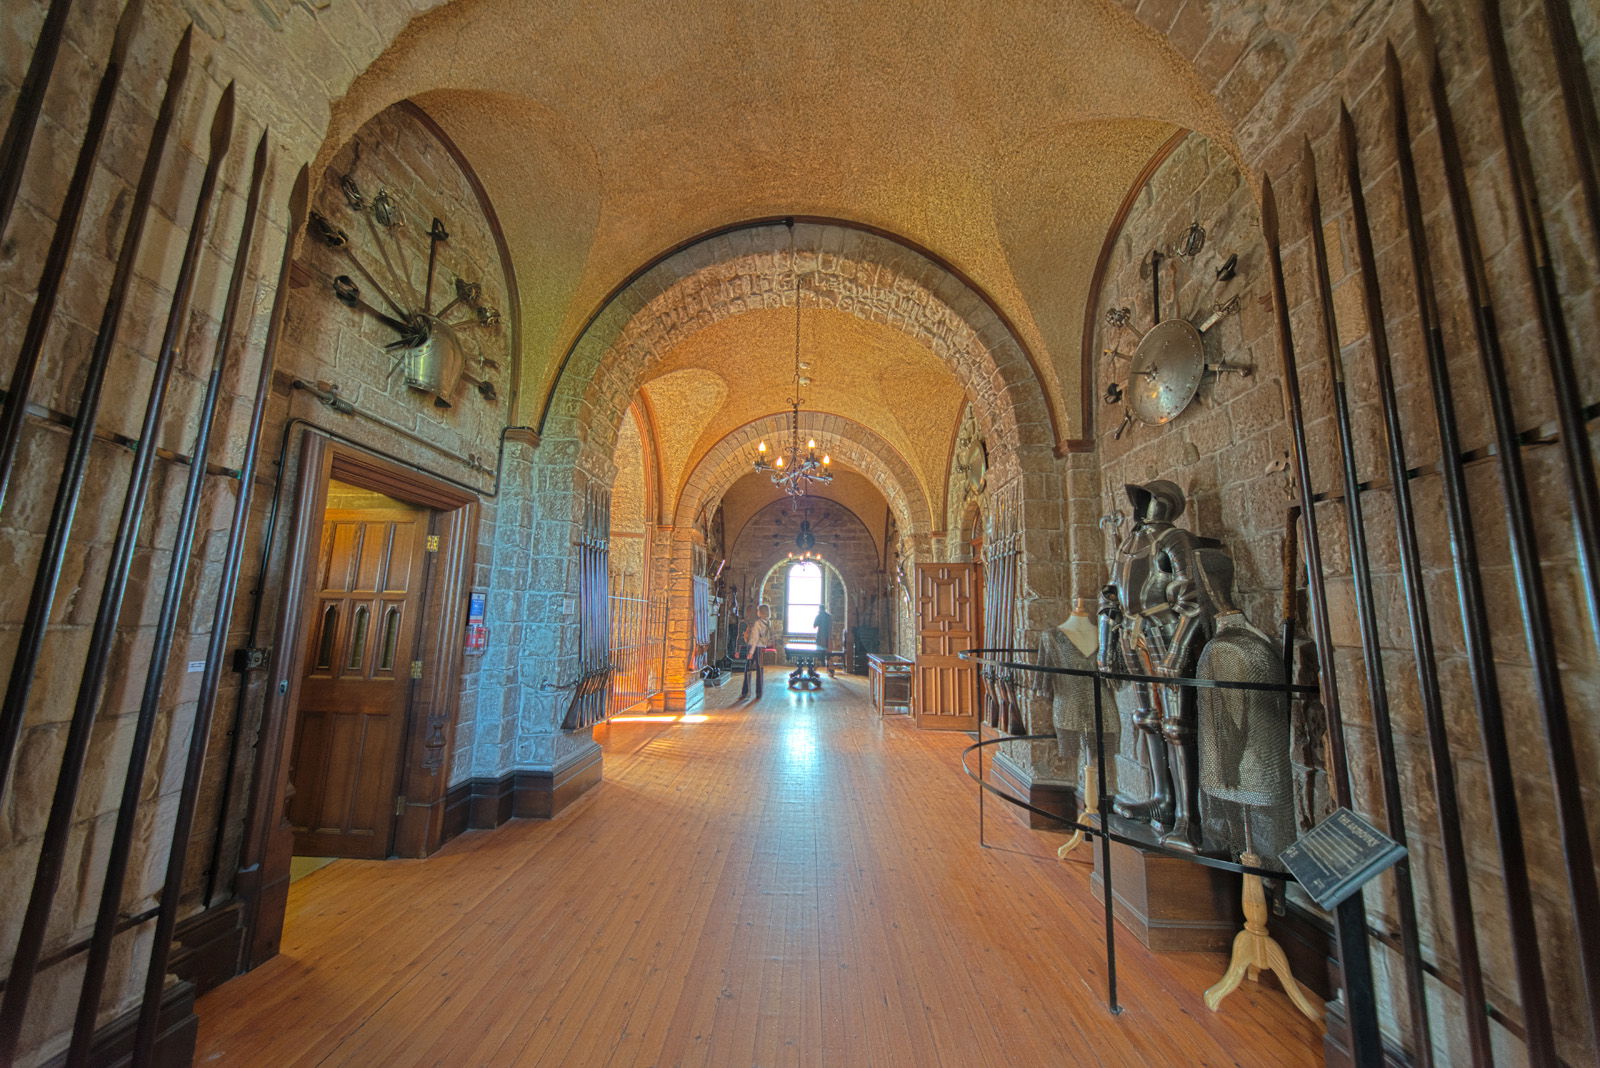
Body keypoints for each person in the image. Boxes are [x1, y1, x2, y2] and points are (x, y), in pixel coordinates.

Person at [739, 604, 772, 699]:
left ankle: (746, 692)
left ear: (761, 612)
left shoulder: (758, 623)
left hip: (755, 648)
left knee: (748, 670)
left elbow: (755, 639)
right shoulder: (768, 623)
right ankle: (759, 692)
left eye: (758, 610)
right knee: (760, 670)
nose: (757, 612)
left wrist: (751, 652)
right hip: (762, 648)